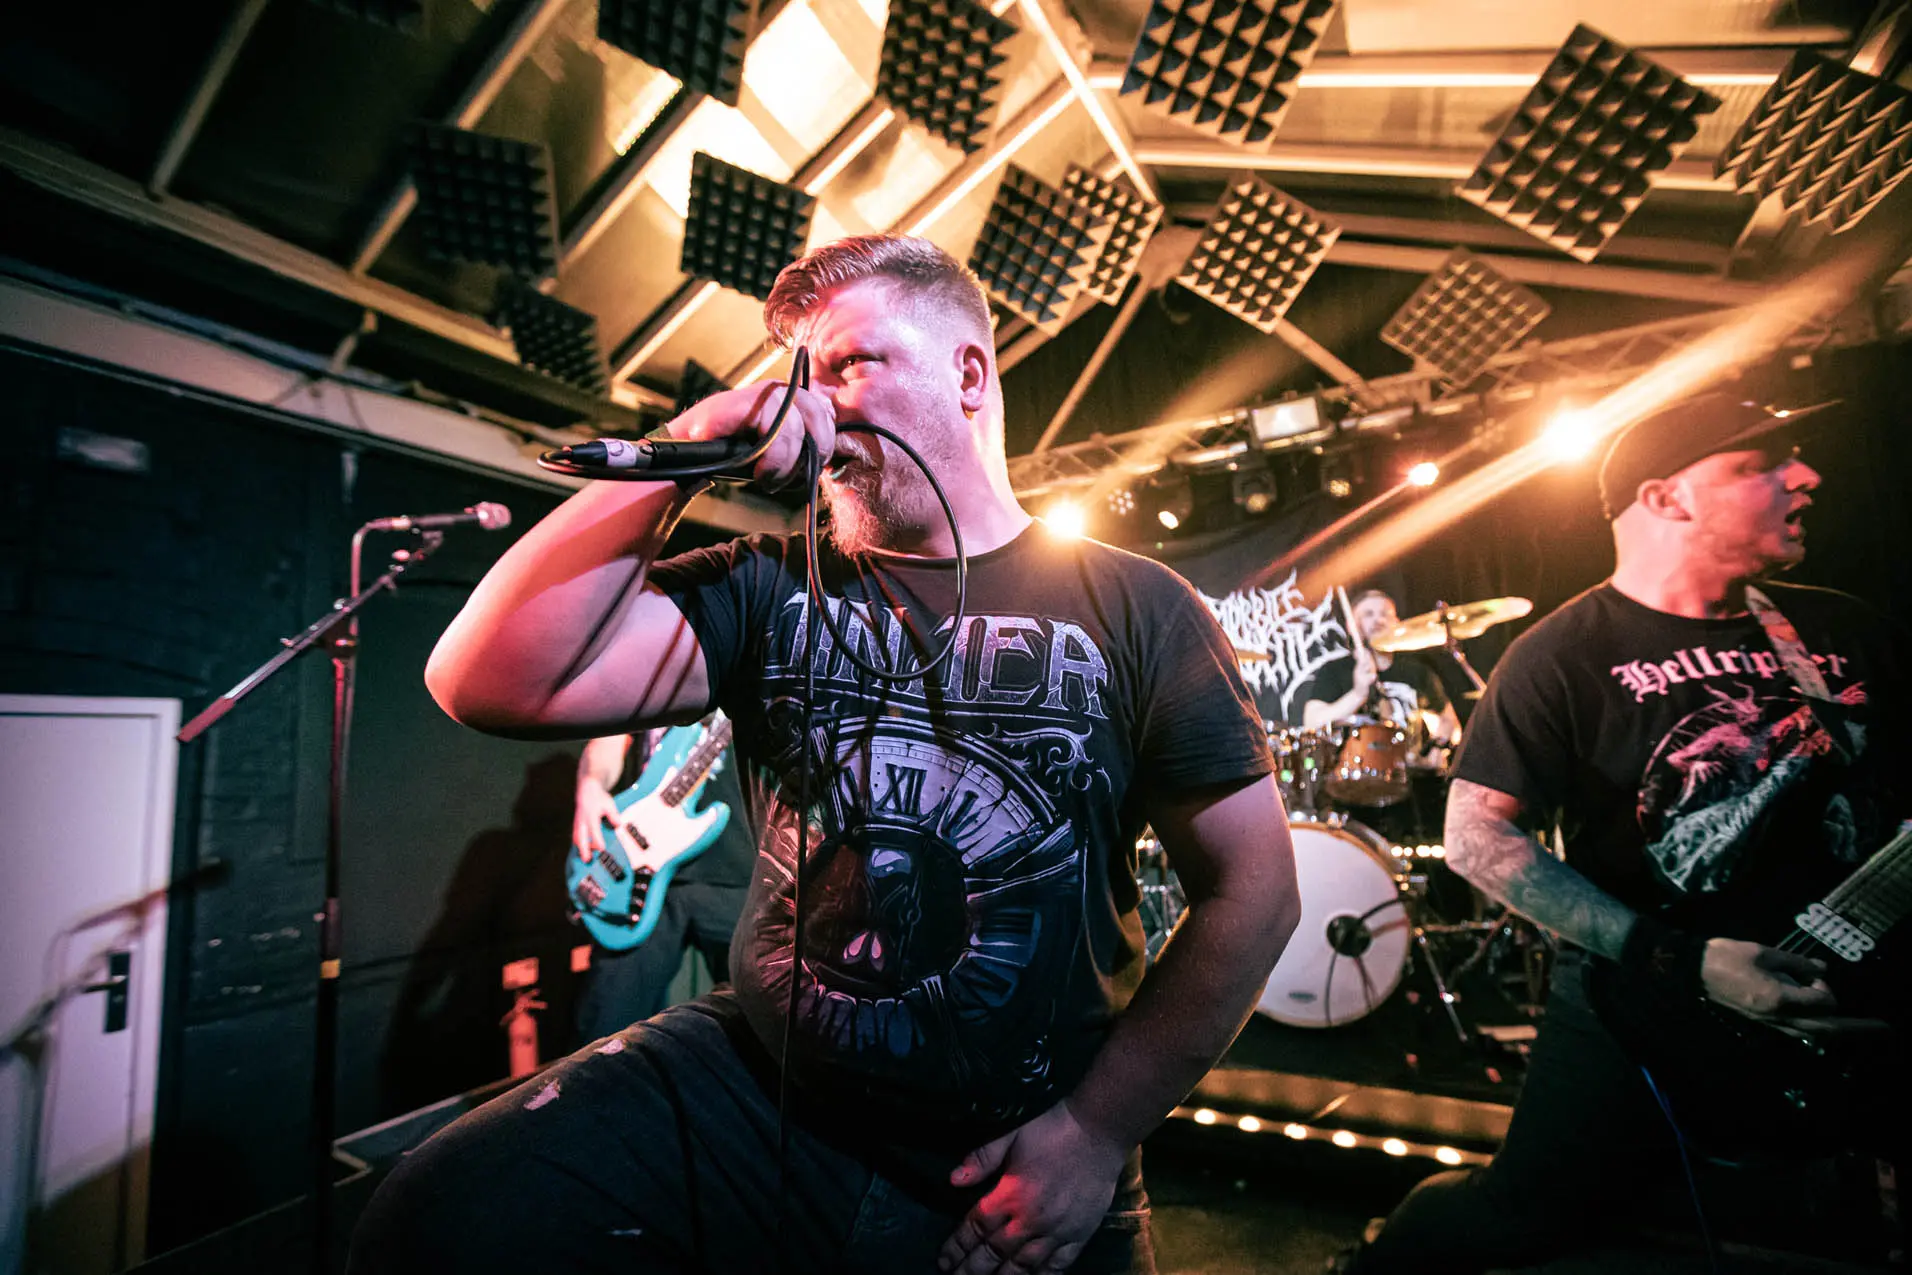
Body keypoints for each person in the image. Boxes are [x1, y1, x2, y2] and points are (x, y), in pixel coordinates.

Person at [352, 234, 1301, 1275]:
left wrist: (1094, 1133)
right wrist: (692, 443)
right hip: (759, 1094)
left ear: (967, 375)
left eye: (850, 364)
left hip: (1014, 1153)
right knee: (437, 1214)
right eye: (800, 375)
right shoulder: (768, 585)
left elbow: (1254, 893)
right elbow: (485, 677)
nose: (814, 403)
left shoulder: (1138, 606)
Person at [1335, 391, 1908, 1273]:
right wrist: (1683, 958)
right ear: (1665, 497)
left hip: (1859, 985)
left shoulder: (1848, 630)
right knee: (1519, 1214)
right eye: (1758, 464)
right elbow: (1476, 840)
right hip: (1639, 999)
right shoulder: (1563, 652)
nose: (1806, 475)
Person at [570, 722, 755, 1040]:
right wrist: (591, 784)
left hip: (734, 872)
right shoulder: (638, 685)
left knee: (766, 1025)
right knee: (604, 1034)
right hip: (640, 874)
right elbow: (610, 738)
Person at [1300, 589, 1459, 749]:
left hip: (1415, 763)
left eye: (1385, 614)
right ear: (1351, 626)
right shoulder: (1335, 670)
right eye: (1368, 614)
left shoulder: (1418, 671)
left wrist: (1438, 746)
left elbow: (1454, 728)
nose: (1379, 620)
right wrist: (1358, 694)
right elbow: (1311, 723)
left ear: (1397, 622)